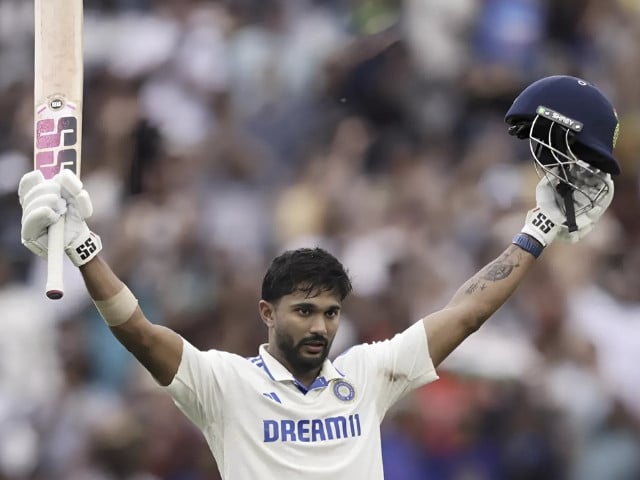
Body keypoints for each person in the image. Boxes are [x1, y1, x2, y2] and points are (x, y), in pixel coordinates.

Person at [18, 75, 619, 479]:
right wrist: (83, 248)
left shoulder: (366, 374)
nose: (321, 326)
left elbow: (464, 312)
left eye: (330, 312)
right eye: (304, 310)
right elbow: (140, 333)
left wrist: (537, 230)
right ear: (267, 313)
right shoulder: (224, 385)